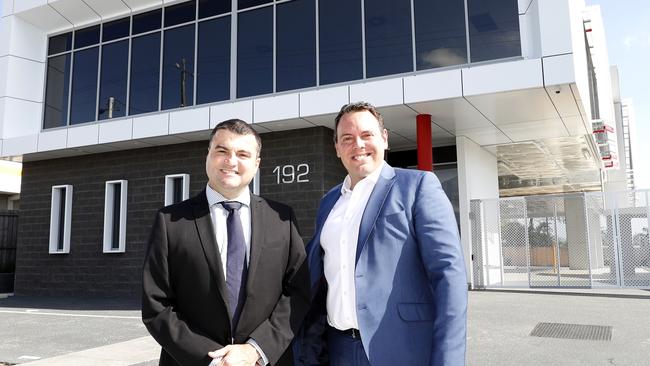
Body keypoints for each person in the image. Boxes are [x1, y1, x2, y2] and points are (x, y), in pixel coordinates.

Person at [294, 102, 468, 366]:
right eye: (347, 138)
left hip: (401, 348)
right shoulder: (329, 203)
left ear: (384, 139)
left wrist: (448, 361)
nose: (358, 145)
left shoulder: (418, 186)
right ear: (337, 148)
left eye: (367, 135)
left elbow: (449, 276)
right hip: (337, 349)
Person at [142, 119, 311, 366]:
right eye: (222, 151)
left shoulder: (282, 218)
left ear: (256, 164)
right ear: (207, 156)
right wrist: (213, 359)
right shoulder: (170, 222)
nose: (231, 161)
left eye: (242, 154)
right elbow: (156, 304)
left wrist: (256, 350)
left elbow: (298, 292)